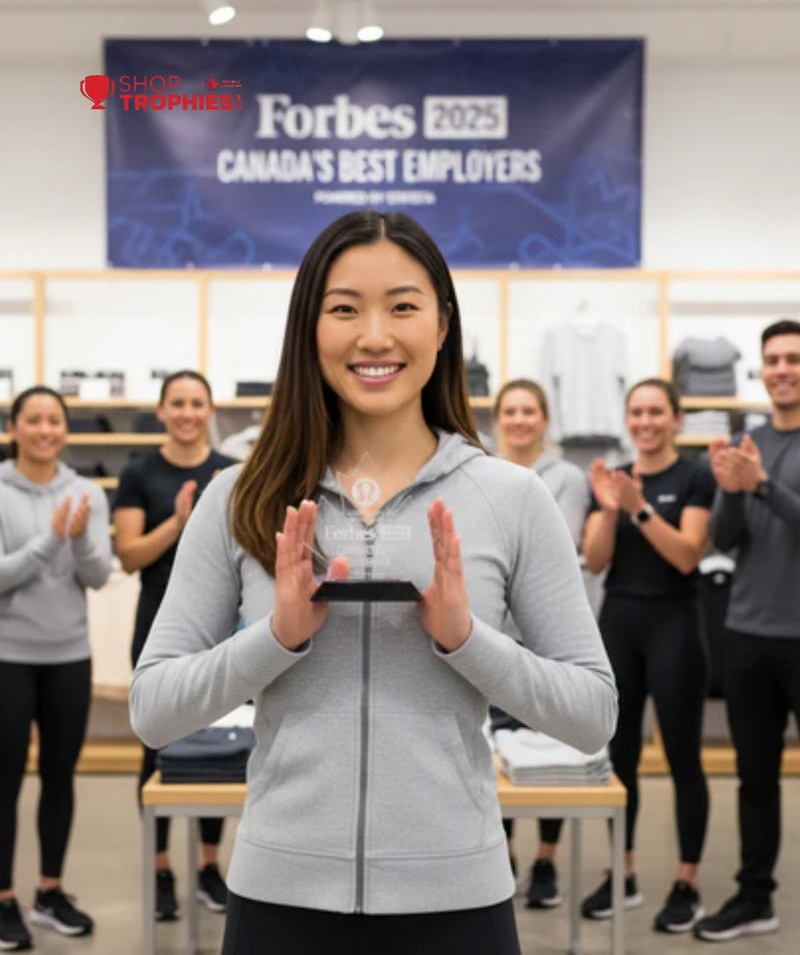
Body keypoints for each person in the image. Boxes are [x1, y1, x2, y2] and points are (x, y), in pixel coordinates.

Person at [129, 210, 617, 955]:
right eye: (345, 308)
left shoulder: (511, 499)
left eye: (403, 306)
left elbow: (593, 715)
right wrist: (276, 638)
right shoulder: (240, 497)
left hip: (458, 897)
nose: (375, 336)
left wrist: (465, 638)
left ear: (443, 325)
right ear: (309, 328)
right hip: (277, 897)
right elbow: (153, 710)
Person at [581, 378, 714, 933]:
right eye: (637, 412)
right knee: (621, 758)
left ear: (676, 419)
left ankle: (687, 882)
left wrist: (637, 509)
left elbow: (688, 555)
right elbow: (593, 561)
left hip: (675, 625)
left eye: (657, 411)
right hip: (619, 623)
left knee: (683, 757)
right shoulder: (613, 478)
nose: (646, 421)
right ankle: (623, 872)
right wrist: (611, 508)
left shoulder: (695, 475)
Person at [113, 371, 235, 920]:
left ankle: (210, 866)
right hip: (157, 622)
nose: (188, 412)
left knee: (221, 740)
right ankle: (161, 868)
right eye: (177, 403)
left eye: (197, 403)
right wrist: (180, 523)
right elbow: (130, 555)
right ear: (161, 411)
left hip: (220, 626)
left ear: (210, 411)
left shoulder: (230, 474)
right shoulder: (141, 472)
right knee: (156, 740)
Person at [694, 320, 800, 943]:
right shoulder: (748, 440)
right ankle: (755, 896)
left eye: (792, 358)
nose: (782, 369)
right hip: (746, 633)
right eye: (772, 360)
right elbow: (724, 538)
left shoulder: (762, 457)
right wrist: (734, 489)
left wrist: (760, 483)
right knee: (754, 776)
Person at [0, 386, 112, 950]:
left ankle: (50, 890)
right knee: (4, 780)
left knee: (60, 777)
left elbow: (96, 575)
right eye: (34, 420)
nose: (46, 429)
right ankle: (2, 899)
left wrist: (81, 539)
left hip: (70, 655)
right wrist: (52, 539)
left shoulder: (87, 491)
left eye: (55, 420)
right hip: (8, 659)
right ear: (14, 427)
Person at [492, 378, 589, 908]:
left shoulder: (566, 477)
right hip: (491, 634)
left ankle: (546, 859)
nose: (520, 420)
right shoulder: (479, 468)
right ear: (499, 418)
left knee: (552, 748)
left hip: (545, 636)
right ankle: (502, 851)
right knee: (496, 747)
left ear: (545, 419)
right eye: (511, 411)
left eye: (529, 411)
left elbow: (562, 546)